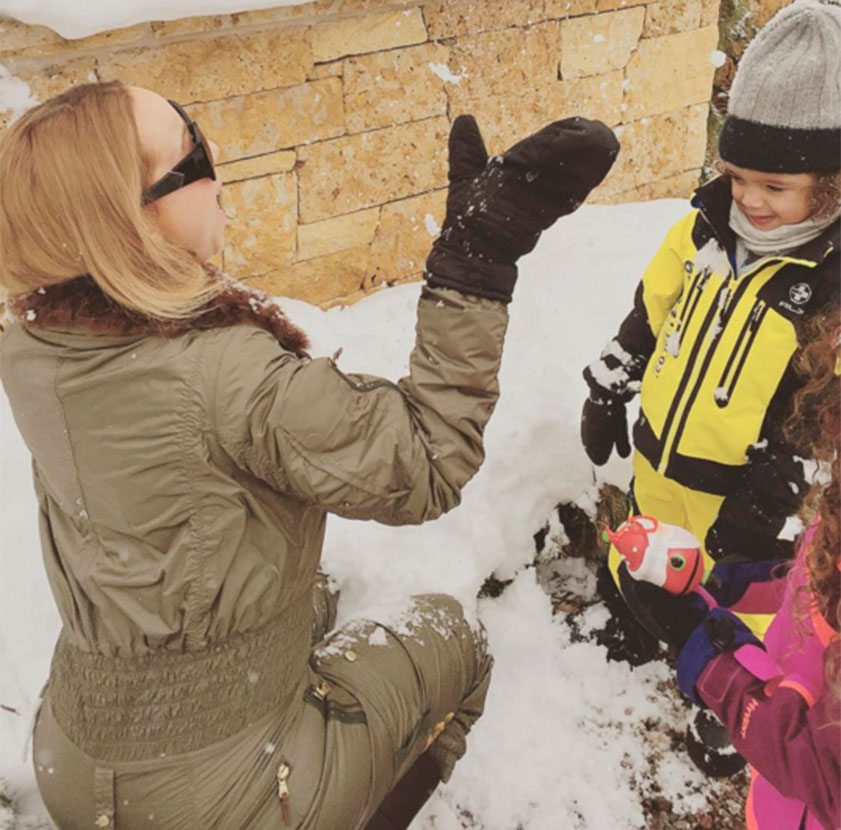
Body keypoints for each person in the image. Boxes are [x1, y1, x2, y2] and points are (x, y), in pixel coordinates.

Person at [0, 80, 618, 829]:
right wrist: (474, 260)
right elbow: (424, 462)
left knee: (318, 589)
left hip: (74, 746)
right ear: (130, 220)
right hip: (217, 798)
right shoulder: (224, 374)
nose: (215, 154)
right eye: (192, 149)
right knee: (452, 640)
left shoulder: (34, 339)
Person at [580, 0, 841, 668]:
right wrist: (613, 380)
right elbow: (652, 310)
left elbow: (819, 416)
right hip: (657, 456)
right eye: (736, 177)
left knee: (733, 600)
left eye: (774, 186)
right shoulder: (701, 230)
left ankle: (726, 697)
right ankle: (636, 626)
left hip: (741, 501)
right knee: (640, 554)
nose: (748, 200)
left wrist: (770, 498)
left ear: (830, 183)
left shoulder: (829, 285)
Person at [621, 311, 840, 830]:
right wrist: (742, 585)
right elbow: (815, 578)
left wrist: (712, 661)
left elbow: (821, 772)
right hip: (778, 802)